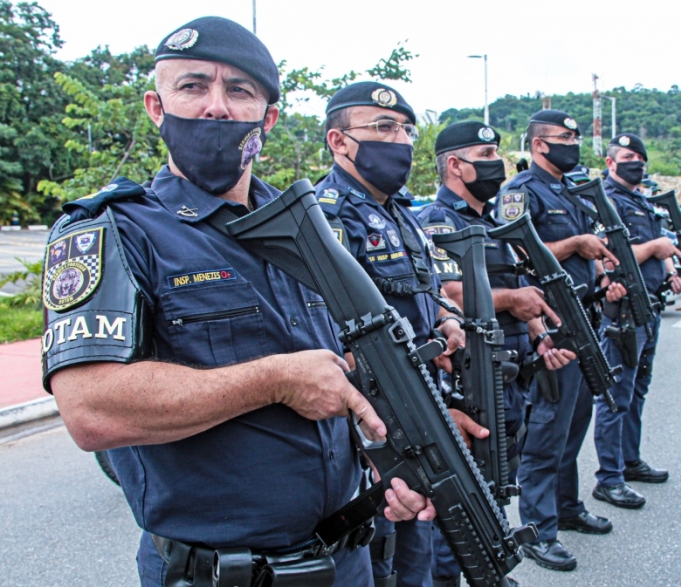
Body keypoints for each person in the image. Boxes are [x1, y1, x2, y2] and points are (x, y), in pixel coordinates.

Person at [40, 18, 433, 587]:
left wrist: (387, 455)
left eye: (240, 91)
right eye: (193, 86)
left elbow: (351, 370)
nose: (216, 108)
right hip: (217, 574)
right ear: (157, 105)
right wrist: (273, 380)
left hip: (347, 559)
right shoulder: (114, 229)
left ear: (267, 117)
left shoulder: (313, 228)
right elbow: (91, 409)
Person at [317, 81, 475, 587]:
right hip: (372, 415)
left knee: (420, 548)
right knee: (384, 551)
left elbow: (428, 289)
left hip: (420, 400)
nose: (401, 140)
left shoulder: (403, 213)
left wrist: (447, 317)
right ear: (339, 142)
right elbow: (325, 327)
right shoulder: (326, 217)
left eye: (406, 129)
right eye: (384, 128)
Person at [416, 120, 576, 587]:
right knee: (463, 489)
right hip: (472, 371)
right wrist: (514, 302)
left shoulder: (493, 222)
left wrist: (538, 330)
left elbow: (514, 284)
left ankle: (486, 565)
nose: (495, 165)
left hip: (513, 367)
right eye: (484, 155)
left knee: (497, 478)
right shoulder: (438, 222)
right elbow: (448, 292)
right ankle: (455, 573)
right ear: (454, 165)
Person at [495, 109, 623, 572]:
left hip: (585, 317)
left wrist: (605, 274)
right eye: (563, 137)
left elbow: (591, 252)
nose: (573, 143)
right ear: (538, 145)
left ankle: (566, 509)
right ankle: (537, 530)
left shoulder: (570, 190)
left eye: (574, 136)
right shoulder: (519, 192)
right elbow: (514, 250)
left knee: (575, 424)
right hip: (549, 325)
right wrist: (575, 245)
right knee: (547, 432)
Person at [591, 133, 681, 517]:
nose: (637, 162)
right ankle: (609, 478)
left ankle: (629, 460)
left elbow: (658, 247)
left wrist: (671, 273)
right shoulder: (606, 201)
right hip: (623, 312)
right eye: (628, 156)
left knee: (637, 391)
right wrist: (654, 249)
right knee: (615, 396)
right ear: (611, 162)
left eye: (641, 157)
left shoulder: (640, 201)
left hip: (648, 306)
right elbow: (605, 255)